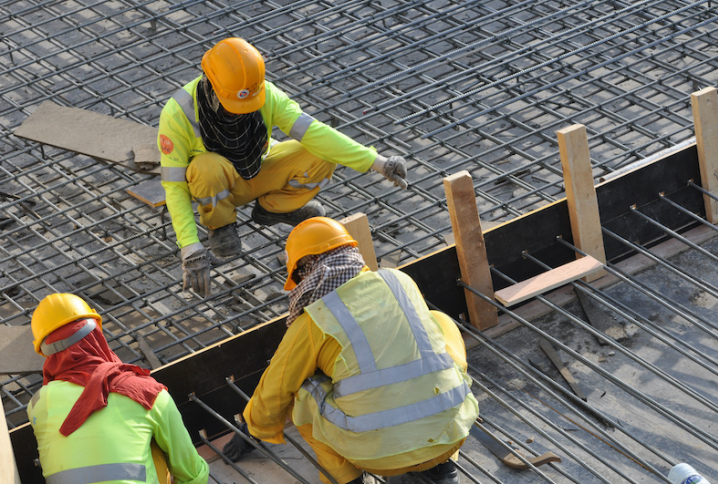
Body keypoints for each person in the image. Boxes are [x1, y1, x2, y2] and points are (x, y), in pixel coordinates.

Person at [222, 217, 479, 484]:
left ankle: (346, 479)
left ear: (307, 269)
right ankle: (439, 469)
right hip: (453, 432)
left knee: (302, 391)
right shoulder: (398, 280)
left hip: (379, 455)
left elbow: (276, 386)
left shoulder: (314, 320)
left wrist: (253, 428)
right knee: (440, 322)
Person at [158, 37, 409, 297]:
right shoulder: (178, 114)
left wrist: (377, 163)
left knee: (320, 155)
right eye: (234, 106)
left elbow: (315, 132)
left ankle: (273, 208)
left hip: (259, 166)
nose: (240, 113)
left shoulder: (264, 93)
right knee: (204, 166)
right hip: (220, 185)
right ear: (210, 86)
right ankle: (220, 225)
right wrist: (189, 246)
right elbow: (174, 186)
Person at [27, 293, 209, 484]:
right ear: (96, 333)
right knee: (151, 443)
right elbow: (192, 475)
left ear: (46, 352)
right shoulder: (147, 393)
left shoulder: (37, 404)